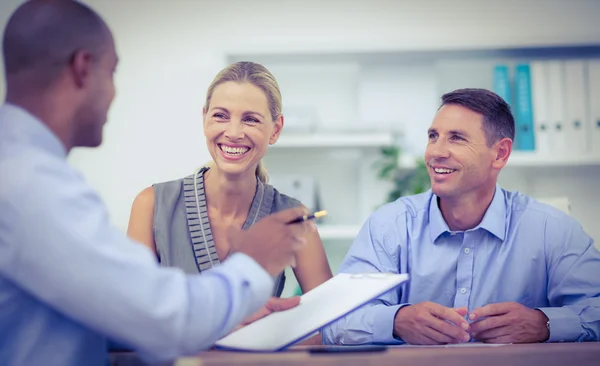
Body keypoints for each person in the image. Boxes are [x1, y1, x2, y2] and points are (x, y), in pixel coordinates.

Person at [0, 1, 314, 365]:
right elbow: (159, 317)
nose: (114, 94)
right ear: (83, 68)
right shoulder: (32, 185)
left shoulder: (22, 171)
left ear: (275, 128)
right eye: (113, 72)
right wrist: (253, 261)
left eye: (251, 119)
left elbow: (117, 314)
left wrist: (224, 321)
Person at [322, 88, 600, 345]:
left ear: (500, 153)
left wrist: (545, 323)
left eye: (456, 138)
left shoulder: (551, 229)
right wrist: (396, 321)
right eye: (433, 136)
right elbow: (335, 321)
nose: (435, 153)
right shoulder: (389, 226)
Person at [127, 61, 333, 297]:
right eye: (220, 116)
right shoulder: (151, 205)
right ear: (205, 119)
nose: (234, 133)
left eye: (251, 119)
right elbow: (131, 313)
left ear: (275, 130)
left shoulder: (295, 219)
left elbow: (328, 323)